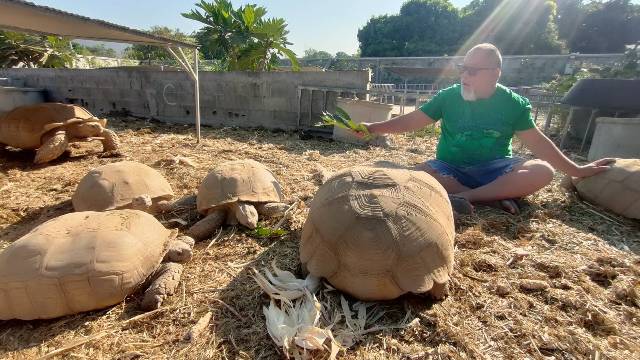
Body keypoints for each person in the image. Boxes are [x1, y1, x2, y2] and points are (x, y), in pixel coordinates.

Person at [355, 43, 613, 215]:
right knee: (418, 174)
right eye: (463, 68)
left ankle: (469, 197)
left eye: (473, 70)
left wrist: (577, 170)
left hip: (496, 169)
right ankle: (493, 197)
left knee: (542, 171)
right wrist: (375, 127)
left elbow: (538, 143)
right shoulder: (448, 97)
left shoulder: (513, 104)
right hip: (449, 168)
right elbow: (412, 120)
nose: (464, 75)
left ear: (495, 73)